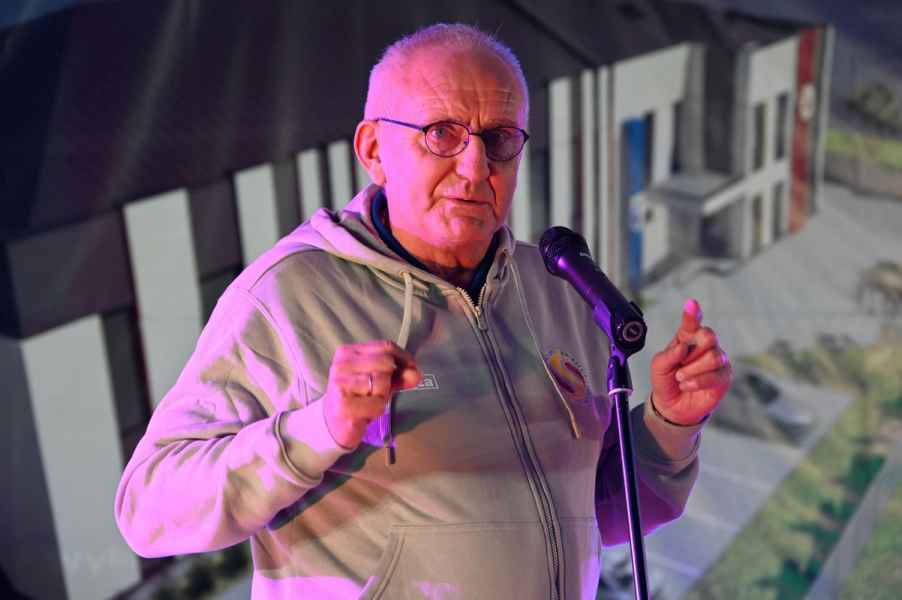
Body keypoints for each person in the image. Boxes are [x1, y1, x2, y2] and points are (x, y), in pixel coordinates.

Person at [115, 23, 732, 599]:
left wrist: (670, 426)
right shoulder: (288, 296)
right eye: (441, 134)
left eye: (499, 140)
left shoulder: (556, 289)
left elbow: (597, 515)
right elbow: (149, 510)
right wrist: (320, 429)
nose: (475, 168)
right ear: (374, 149)